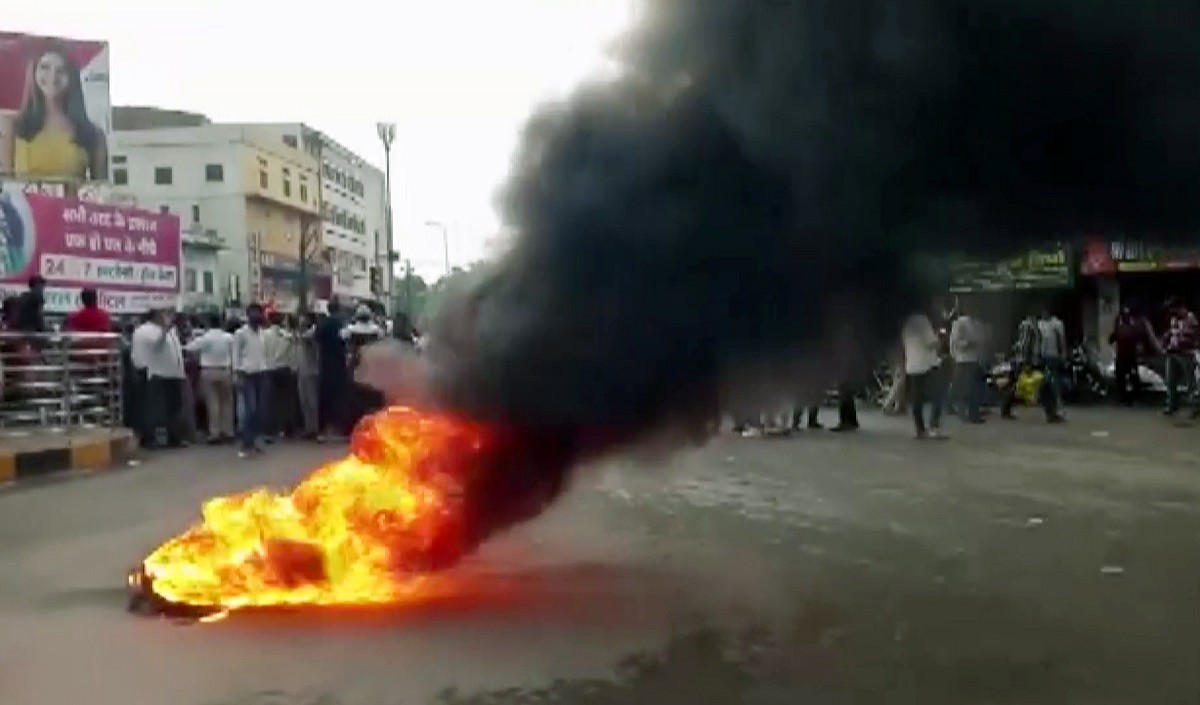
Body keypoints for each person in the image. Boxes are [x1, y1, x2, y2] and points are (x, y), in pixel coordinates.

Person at [1, 45, 107, 180]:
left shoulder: (94, 134)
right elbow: (7, 189)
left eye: (61, 70)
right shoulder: (13, 126)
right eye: (45, 67)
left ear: (72, 77)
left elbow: (100, 194)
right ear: (34, 72)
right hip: (23, 201)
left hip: (73, 201)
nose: (52, 76)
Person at [138, 308, 188, 448]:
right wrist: (164, 330)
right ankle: (153, 439)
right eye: (166, 314)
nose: (169, 317)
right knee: (157, 410)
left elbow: (177, 353)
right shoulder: (149, 331)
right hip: (159, 375)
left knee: (175, 408)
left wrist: (181, 372)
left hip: (174, 374)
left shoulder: (172, 331)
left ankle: (174, 437)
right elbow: (155, 347)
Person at [185, 314, 235, 444]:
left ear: (208, 324)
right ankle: (228, 431)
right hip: (225, 371)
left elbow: (189, 348)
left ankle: (215, 433)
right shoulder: (229, 338)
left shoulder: (205, 338)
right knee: (227, 403)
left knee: (212, 403)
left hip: (208, 371)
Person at [902, 307, 947, 439]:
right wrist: (939, 338)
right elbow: (931, 343)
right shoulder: (922, 320)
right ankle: (933, 426)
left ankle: (919, 429)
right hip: (927, 365)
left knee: (917, 399)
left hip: (912, 364)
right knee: (938, 394)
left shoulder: (905, 323)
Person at [232, 304, 271, 457]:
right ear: (248, 315)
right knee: (251, 409)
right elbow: (235, 354)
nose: (257, 316)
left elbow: (264, 354)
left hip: (262, 373)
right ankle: (246, 444)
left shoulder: (262, 333)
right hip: (247, 374)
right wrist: (236, 373)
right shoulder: (240, 333)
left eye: (259, 313)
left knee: (260, 411)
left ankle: (254, 441)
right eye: (253, 313)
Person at [314, 300, 349, 441]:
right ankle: (340, 429)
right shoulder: (342, 324)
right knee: (340, 397)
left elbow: (316, 338)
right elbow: (346, 340)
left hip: (325, 364)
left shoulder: (323, 324)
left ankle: (322, 430)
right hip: (339, 364)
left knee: (324, 398)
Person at [1161, 296, 1198, 419]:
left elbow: (1190, 335)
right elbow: (1170, 333)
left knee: (1190, 382)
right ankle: (1172, 405)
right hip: (1172, 353)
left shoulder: (1190, 318)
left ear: (1181, 308)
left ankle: (1195, 407)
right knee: (1170, 381)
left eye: (1175, 309)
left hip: (1186, 353)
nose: (1173, 312)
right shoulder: (1174, 319)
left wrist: (1177, 334)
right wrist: (1166, 339)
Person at [263, 312, 297, 439]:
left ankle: (270, 428)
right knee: (286, 401)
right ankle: (286, 428)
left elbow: (263, 352)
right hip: (284, 369)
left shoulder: (264, 335)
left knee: (270, 400)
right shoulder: (287, 336)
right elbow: (292, 355)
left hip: (268, 369)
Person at [1109, 306, 1151, 406]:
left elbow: (1138, 340)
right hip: (1123, 357)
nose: (1125, 317)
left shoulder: (1131, 327)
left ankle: (1132, 396)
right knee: (1122, 378)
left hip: (1129, 357)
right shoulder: (1122, 328)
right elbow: (1112, 338)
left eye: (1126, 315)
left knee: (1133, 377)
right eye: (1124, 315)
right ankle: (1125, 397)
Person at [949, 305, 984, 423]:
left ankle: (972, 414)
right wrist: (968, 344)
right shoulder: (960, 323)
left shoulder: (975, 324)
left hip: (971, 359)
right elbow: (955, 342)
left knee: (972, 389)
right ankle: (966, 413)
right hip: (963, 360)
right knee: (966, 389)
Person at [1036, 308, 1067, 422]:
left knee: (1053, 384)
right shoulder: (1039, 324)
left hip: (1054, 357)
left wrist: (1063, 355)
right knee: (1045, 385)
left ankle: (1054, 410)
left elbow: (1061, 341)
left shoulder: (1057, 324)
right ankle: (1050, 412)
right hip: (1042, 357)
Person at [296, 313, 321, 439]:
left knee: (312, 402)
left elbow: (308, 337)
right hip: (302, 371)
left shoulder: (311, 335)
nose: (301, 323)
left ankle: (314, 429)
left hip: (311, 371)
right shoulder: (303, 335)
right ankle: (308, 428)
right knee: (304, 401)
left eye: (304, 320)